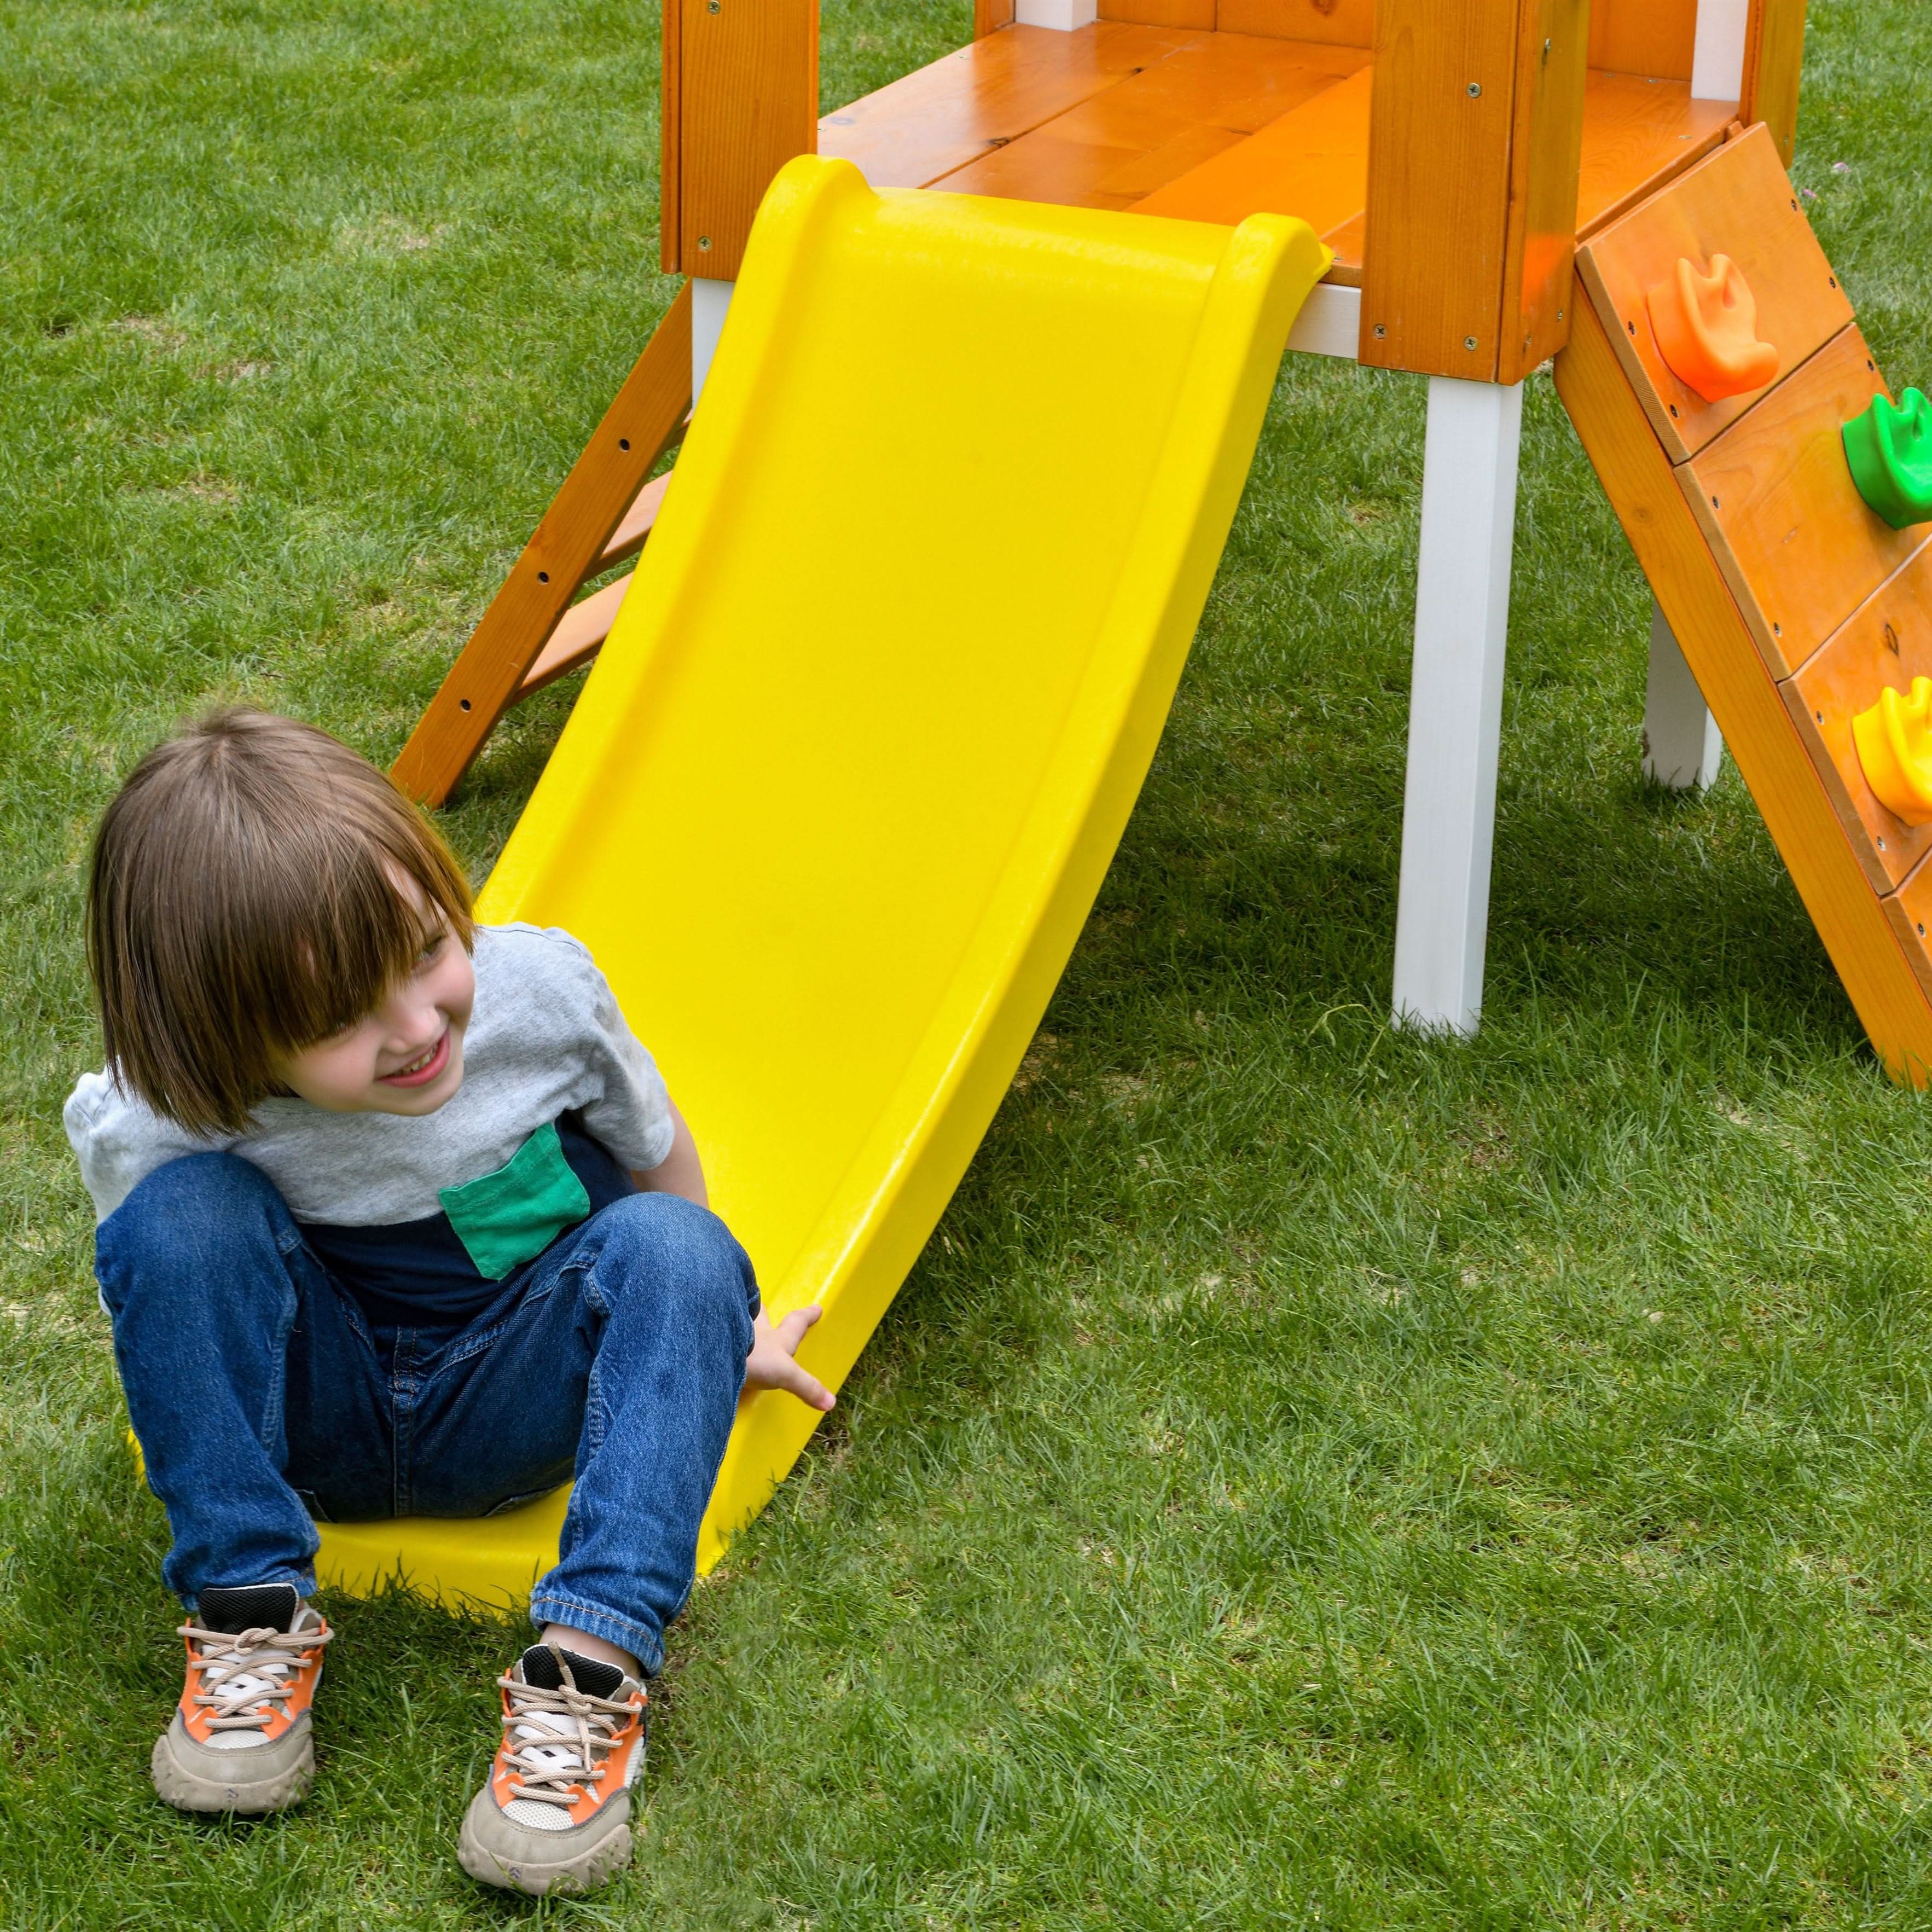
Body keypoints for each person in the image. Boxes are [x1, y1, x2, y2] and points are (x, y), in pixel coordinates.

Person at [64, 707, 832, 1897]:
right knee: (177, 1220)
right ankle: (247, 1612)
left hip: (514, 1401)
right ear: (216, 1034)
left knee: (677, 1242)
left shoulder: (541, 997)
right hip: (316, 1425)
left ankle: (588, 1672)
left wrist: (708, 1338)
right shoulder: (162, 1115)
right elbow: (166, 1305)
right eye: (336, 1021)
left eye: (426, 951)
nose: (417, 1027)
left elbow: (663, 1171)